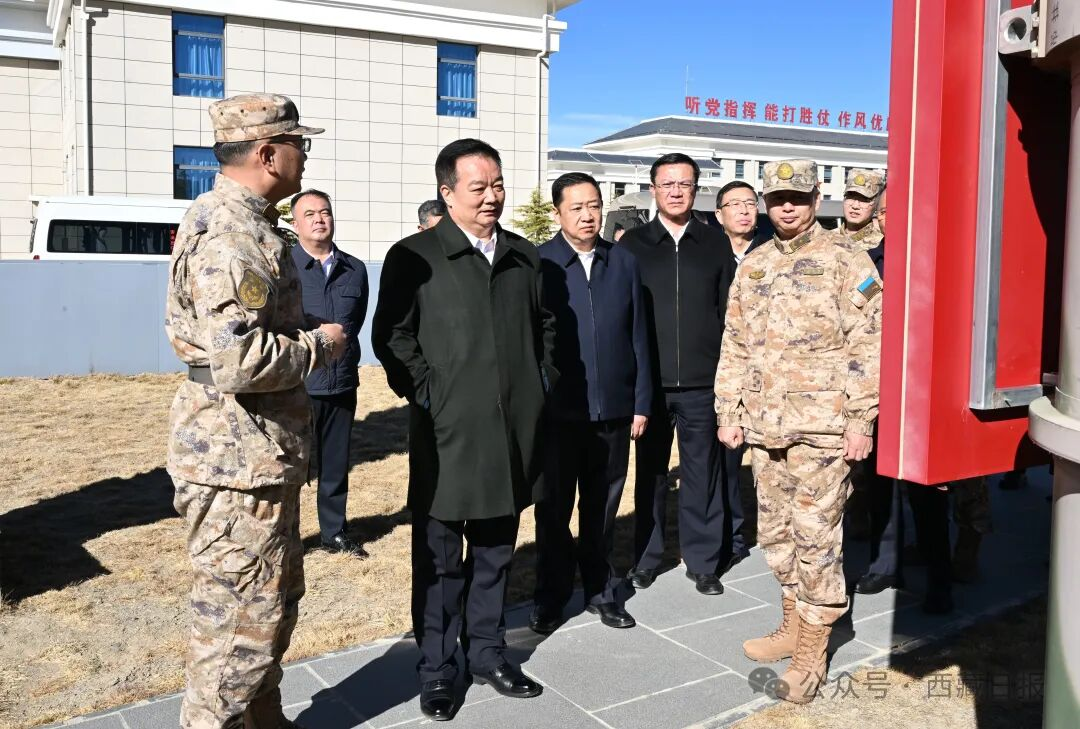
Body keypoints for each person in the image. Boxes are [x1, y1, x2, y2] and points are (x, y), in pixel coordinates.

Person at [164, 93, 344, 729]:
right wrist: (319, 345)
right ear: (268, 154)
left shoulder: (248, 221)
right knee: (237, 627)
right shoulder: (232, 234)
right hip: (235, 461)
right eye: (299, 144)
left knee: (270, 606)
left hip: (256, 455)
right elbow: (239, 360)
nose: (305, 156)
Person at [372, 138, 556, 721]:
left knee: (497, 553)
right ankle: (436, 667)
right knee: (441, 559)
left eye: (498, 184)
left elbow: (547, 328)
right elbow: (392, 337)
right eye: (478, 187)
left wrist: (540, 385)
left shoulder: (524, 257)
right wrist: (431, 394)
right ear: (447, 193)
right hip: (448, 435)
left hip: (511, 434)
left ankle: (487, 653)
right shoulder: (415, 256)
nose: (491, 197)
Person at [715, 159, 882, 704]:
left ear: (815, 198)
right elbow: (735, 341)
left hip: (823, 431)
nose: (787, 206)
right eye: (777, 198)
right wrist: (728, 410)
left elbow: (869, 344)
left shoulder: (846, 258)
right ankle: (791, 622)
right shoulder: (756, 263)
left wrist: (861, 420)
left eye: (797, 197)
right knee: (777, 536)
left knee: (816, 539)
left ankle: (812, 653)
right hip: (767, 429)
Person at [530, 172, 652, 634]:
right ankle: (551, 595)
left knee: (602, 507)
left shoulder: (623, 261)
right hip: (558, 413)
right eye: (577, 207)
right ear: (558, 212)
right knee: (553, 509)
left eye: (594, 205)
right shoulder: (539, 263)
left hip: (614, 410)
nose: (587, 215)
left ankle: (601, 591)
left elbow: (638, 333)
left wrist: (641, 401)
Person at [620, 153, 736, 596]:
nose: (675, 191)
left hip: (703, 384)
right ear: (653, 189)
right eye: (667, 184)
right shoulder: (632, 246)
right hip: (650, 384)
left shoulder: (714, 244)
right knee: (650, 475)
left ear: (695, 190)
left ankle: (703, 562)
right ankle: (646, 558)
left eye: (684, 184)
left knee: (702, 474)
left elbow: (729, 313)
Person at [290, 189, 370, 557]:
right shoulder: (284, 268)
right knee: (290, 466)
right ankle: (286, 536)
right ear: (296, 224)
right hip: (296, 385)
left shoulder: (355, 269)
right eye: (309, 214)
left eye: (325, 212)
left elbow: (355, 323)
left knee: (336, 465)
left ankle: (333, 532)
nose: (319, 219)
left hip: (341, 382)